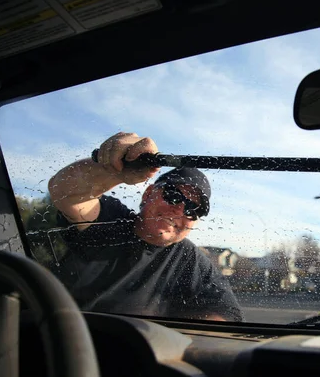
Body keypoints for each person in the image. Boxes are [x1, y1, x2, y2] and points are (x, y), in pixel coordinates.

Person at [47, 131, 243, 322]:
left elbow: (228, 314)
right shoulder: (111, 220)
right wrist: (115, 170)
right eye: (173, 196)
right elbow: (65, 192)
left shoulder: (192, 260)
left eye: (193, 209)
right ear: (148, 194)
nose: (179, 211)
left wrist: (171, 338)